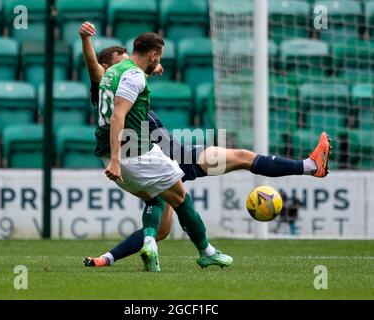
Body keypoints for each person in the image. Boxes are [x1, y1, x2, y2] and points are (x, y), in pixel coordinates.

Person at [78, 22, 331, 270]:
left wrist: (149, 67)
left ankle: (113, 256)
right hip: (173, 155)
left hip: (148, 156)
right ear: (106, 67)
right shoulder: (108, 80)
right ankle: (309, 166)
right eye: (120, 59)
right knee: (242, 157)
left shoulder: (122, 77)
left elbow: (131, 74)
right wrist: (88, 42)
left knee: (161, 224)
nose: (126, 61)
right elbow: (103, 77)